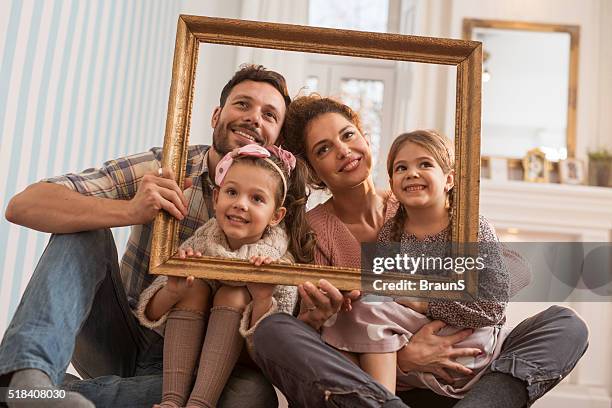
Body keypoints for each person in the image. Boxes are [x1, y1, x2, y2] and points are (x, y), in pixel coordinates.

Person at [252, 94, 589, 408]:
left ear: (366, 138)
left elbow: (514, 271)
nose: (343, 150)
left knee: (565, 325)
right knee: (274, 332)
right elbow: (329, 336)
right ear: (312, 169)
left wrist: (425, 297)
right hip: (379, 384)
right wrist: (405, 357)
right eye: (324, 149)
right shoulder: (311, 230)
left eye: (348, 135)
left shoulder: (417, 198)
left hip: (468, 370)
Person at [0, 64, 295, 408]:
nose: (253, 118)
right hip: (122, 332)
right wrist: (130, 211)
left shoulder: (285, 215)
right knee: (85, 230)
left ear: (277, 140)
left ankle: (29, 398)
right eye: (242, 104)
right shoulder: (166, 167)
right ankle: (27, 376)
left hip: (192, 368)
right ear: (216, 115)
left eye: (269, 115)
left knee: (252, 395)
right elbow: (23, 205)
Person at [321, 129, 510, 397]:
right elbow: (388, 296)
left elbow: (493, 306)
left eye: (425, 164)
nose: (412, 173)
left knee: (371, 312)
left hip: (470, 345)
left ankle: (384, 394)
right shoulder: (390, 234)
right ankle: (383, 399)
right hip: (415, 341)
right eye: (401, 168)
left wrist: (422, 301)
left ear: (449, 180)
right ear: (392, 182)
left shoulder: (472, 228)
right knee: (355, 312)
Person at [136, 144, 309, 408]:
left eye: (257, 199)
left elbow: (271, 348)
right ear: (216, 198)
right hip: (182, 349)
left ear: (276, 216)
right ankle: (171, 401)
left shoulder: (278, 264)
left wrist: (262, 300)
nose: (240, 204)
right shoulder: (203, 241)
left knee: (234, 292)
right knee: (192, 286)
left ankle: (200, 404)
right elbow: (150, 313)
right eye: (231, 192)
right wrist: (173, 291)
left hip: (239, 362)